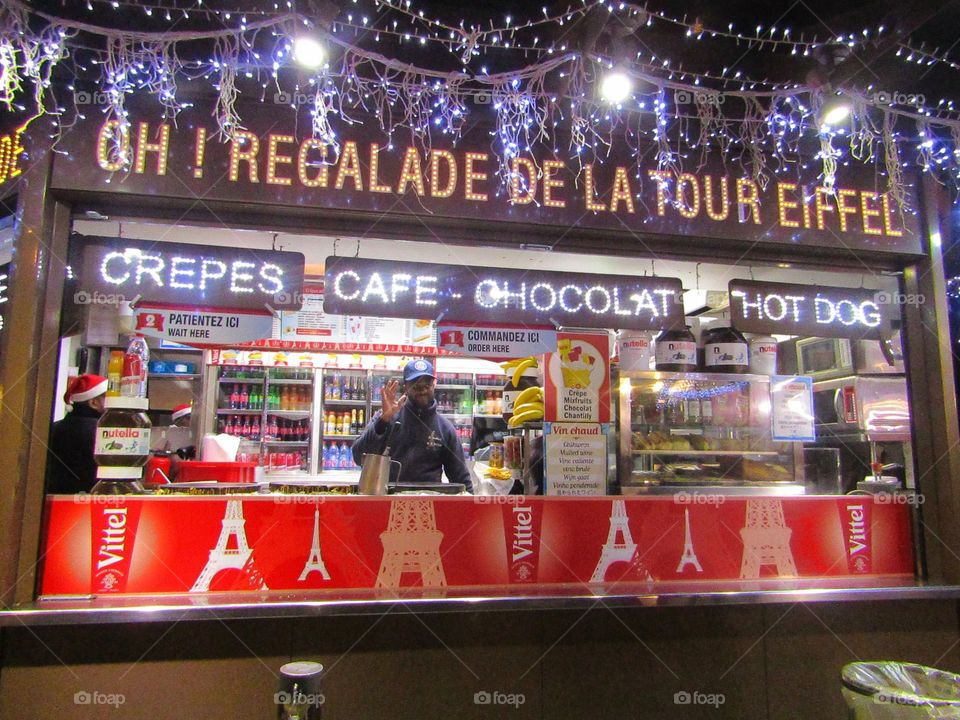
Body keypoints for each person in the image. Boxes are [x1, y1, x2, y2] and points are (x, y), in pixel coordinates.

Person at [352, 359, 474, 492]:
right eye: (416, 386)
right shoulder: (387, 416)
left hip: (429, 505)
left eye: (426, 385)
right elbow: (358, 457)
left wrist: (472, 507)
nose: (421, 391)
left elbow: (461, 479)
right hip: (389, 502)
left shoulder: (445, 428)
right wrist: (384, 420)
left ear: (434, 385)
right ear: (406, 387)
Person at [46, 374, 108, 493]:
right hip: (88, 501)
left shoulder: (54, 428)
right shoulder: (102, 432)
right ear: (93, 403)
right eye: (108, 398)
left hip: (53, 500)